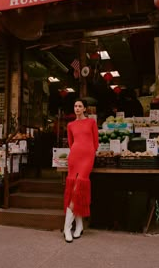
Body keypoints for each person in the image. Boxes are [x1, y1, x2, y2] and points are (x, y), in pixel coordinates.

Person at [63, 98, 99, 243]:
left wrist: (90, 153)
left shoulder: (91, 122)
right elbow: (71, 143)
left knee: (78, 188)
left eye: (80, 106)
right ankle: (79, 225)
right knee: (73, 190)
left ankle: (66, 227)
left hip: (87, 158)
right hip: (74, 158)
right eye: (75, 105)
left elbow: (96, 143)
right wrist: (77, 152)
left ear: (85, 109)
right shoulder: (70, 125)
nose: (77, 108)